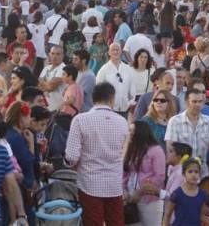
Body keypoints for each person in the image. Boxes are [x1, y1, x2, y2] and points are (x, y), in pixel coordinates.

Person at [66, 82, 131, 225]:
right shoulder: (122, 122)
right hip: (114, 184)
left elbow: (71, 157)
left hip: (89, 183)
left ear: (93, 98)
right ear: (112, 99)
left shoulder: (80, 120)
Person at [165, 88, 209, 178]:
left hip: (202, 174)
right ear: (186, 102)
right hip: (180, 174)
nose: (198, 105)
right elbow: (170, 148)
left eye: (200, 101)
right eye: (194, 101)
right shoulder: (175, 121)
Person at [124, 120, 166, 226]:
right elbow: (125, 172)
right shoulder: (131, 149)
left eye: (132, 131)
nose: (129, 134)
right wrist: (124, 191)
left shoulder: (156, 150)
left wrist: (140, 192)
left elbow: (159, 176)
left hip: (149, 199)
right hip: (130, 198)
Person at [4, 101, 38, 224]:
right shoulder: (15, 138)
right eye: (28, 116)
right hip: (21, 190)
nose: (30, 119)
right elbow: (28, 161)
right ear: (21, 116)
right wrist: (32, 144)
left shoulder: (13, 134)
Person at [162, 156, 209, 226]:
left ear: (200, 174)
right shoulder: (177, 194)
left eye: (196, 172)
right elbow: (167, 215)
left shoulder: (203, 194)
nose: (193, 175)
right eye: (190, 172)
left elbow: (202, 216)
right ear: (184, 174)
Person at [95, 42, 134, 115]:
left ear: (121, 52)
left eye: (117, 50)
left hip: (125, 109)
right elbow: (98, 88)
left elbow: (132, 88)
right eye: (113, 50)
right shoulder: (104, 69)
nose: (115, 52)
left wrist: (130, 102)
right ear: (109, 52)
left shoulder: (128, 69)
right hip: (109, 110)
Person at [38, 45, 67, 111]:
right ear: (49, 54)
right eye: (52, 53)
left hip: (58, 108)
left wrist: (44, 83)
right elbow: (38, 84)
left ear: (63, 56)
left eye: (58, 54)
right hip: (45, 106)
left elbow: (52, 87)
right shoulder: (46, 67)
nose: (54, 56)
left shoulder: (64, 69)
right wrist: (48, 84)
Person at [26, 10, 48, 76]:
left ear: (34, 17)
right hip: (41, 51)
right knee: (39, 70)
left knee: (31, 68)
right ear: (41, 18)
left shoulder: (29, 26)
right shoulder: (44, 27)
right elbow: (46, 37)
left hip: (31, 50)